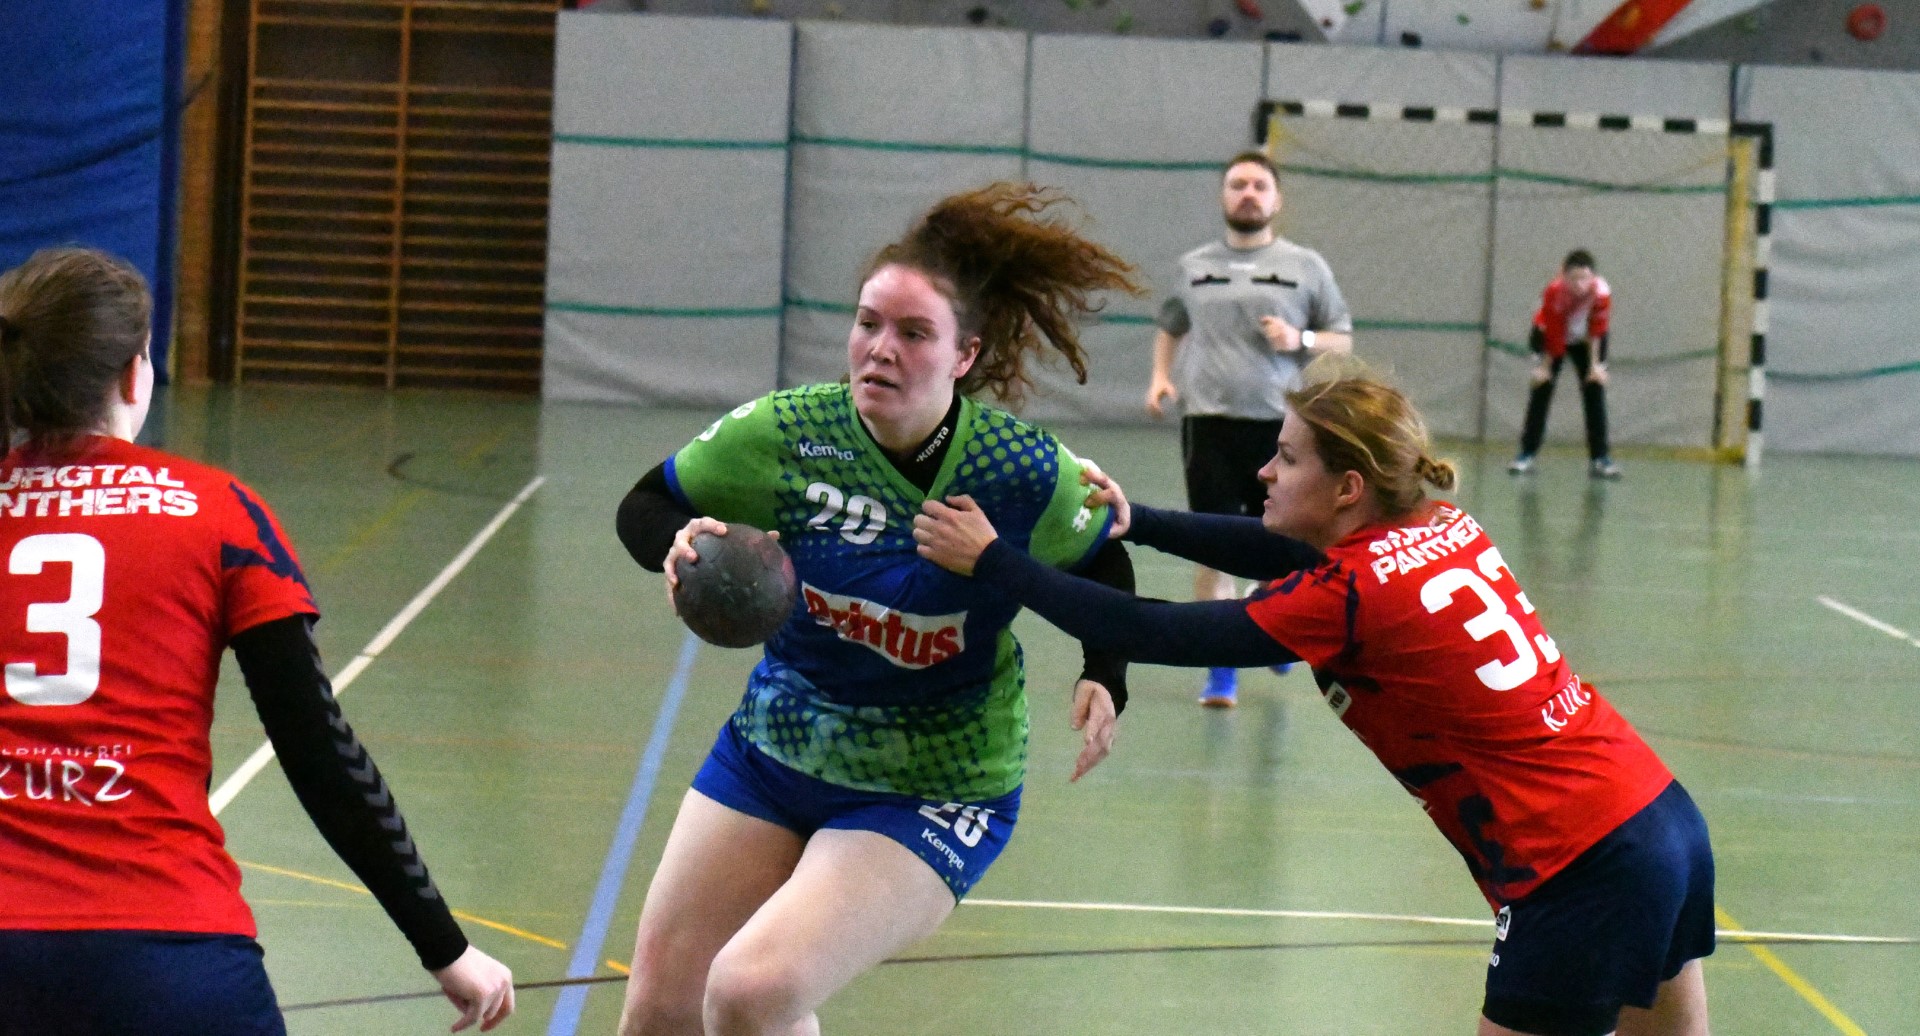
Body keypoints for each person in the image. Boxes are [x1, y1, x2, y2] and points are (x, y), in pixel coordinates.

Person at [914, 359, 1714, 1036]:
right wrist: (1141, 521)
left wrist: (994, 560)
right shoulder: (1439, 523)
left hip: (1574, 864)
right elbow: (1281, 549)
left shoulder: (1352, 596)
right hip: (1659, 816)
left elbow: (1152, 630)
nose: (1265, 471)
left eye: (1288, 458)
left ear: (1348, 488)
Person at [613, 182, 1141, 1036]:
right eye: (867, 324)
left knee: (749, 991)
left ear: (965, 355)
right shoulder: (787, 434)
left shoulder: (1020, 471)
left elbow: (1103, 559)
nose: (880, 350)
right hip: (777, 745)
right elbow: (645, 503)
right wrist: (674, 542)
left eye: (914, 333)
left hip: (933, 783)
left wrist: (1105, 671)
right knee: (658, 1014)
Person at [0, 248, 515, 1034]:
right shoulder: (217, 512)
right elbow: (318, 750)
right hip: (167, 950)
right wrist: (444, 945)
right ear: (135, 376)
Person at [1144, 149, 1355, 707]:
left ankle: (1277, 626)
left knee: (1283, 545)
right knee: (1214, 547)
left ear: (1277, 200)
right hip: (1208, 424)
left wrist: (1298, 339)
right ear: (1223, 195)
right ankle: (1222, 671)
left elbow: (1341, 338)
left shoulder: (1305, 266)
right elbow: (1171, 325)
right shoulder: (1193, 265)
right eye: (1238, 184)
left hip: (1280, 429)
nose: (1248, 194)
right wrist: (1160, 376)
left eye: (1259, 186)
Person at [1510, 249, 1623, 480]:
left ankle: (1600, 458)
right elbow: (1554, 334)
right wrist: (1544, 368)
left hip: (1585, 340)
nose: (1580, 285)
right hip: (1552, 337)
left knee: (1594, 390)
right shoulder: (1554, 292)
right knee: (1541, 389)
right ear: (1564, 276)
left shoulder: (1601, 293)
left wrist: (1594, 366)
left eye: (1585, 279)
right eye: (1574, 279)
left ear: (1593, 278)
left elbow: (1597, 330)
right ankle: (1526, 454)